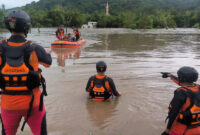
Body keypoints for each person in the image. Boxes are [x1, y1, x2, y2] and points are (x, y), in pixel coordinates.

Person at [0, 10, 52, 135]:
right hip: (33, 105)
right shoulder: (35, 48)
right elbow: (48, 63)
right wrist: (46, 53)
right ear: (27, 27)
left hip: (8, 105)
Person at [161, 66, 200, 135]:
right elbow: (184, 83)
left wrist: (167, 130)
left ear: (180, 78)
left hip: (182, 129)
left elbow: (173, 113)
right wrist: (169, 75)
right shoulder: (198, 87)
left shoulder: (181, 93)